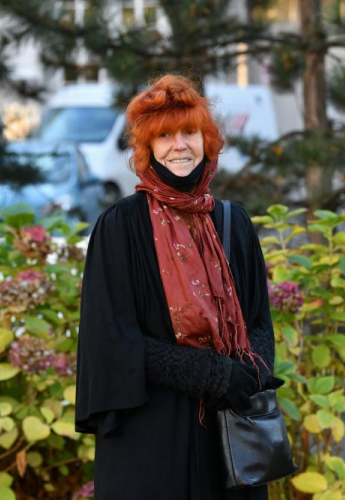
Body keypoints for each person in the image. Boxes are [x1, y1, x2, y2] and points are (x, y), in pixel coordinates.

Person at [74, 74, 280, 499]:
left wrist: (249, 374)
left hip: (232, 434)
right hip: (152, 438)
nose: (179, 145)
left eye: (189, 132)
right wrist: (210, 373)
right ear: (147, 148)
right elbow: (112, 339)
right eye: (164, 136)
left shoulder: (233, 222)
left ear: (208, 141)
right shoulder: (120, 227)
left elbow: (260, 317)